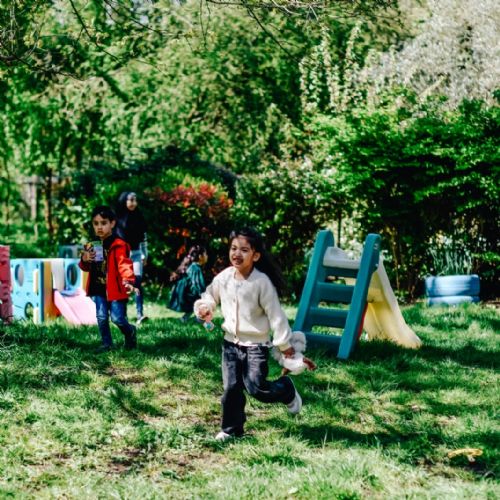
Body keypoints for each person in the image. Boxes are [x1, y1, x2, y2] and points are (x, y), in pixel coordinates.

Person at [194, 227, 305, 441]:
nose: (237, 253)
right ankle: (232, 429)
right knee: (231, 388)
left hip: (256, 346)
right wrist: (205, 306)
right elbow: (210, 295)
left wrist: (284, 345)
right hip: (230, 344)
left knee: (256, 387)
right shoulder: (224, 278)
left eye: (244, 250)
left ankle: (286, 389)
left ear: (255, 255)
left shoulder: (261, 283)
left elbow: (276, 315)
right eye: (234, 248)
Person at [79, 205, 138, 352]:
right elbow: (85, 267)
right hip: (98, 288)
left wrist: (128, 281)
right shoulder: (91, 246)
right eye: (96, 223)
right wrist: (84, 259)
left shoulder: (119, 245)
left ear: (112, 223)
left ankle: (130, 331)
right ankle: (107, 343)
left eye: (104, 223)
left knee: (117, 318)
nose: (99, 227)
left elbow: (125, 264)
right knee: (101, 317)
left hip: (115, 289)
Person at [116, 191, 149, 325]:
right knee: (124, 284)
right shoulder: (117, 218)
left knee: (137, 281)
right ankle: (123, 315)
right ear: (124, 201)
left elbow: (144, 238)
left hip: (136, 253)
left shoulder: (139, 216)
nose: (133, 203)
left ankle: (140, 314)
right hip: (122, 255)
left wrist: (145, 254)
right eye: (131, 200)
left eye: (135, 200)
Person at [168, 245, 208, 322]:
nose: (207, 256)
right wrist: (204, 295)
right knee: (203, 304)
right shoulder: (196, 268)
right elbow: (198, 285)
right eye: (205, 254)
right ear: (200, 257)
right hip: (188, 296)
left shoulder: (193, 266)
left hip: (185, 295)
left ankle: (184, 319)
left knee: (196, 305)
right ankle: (202, 321)